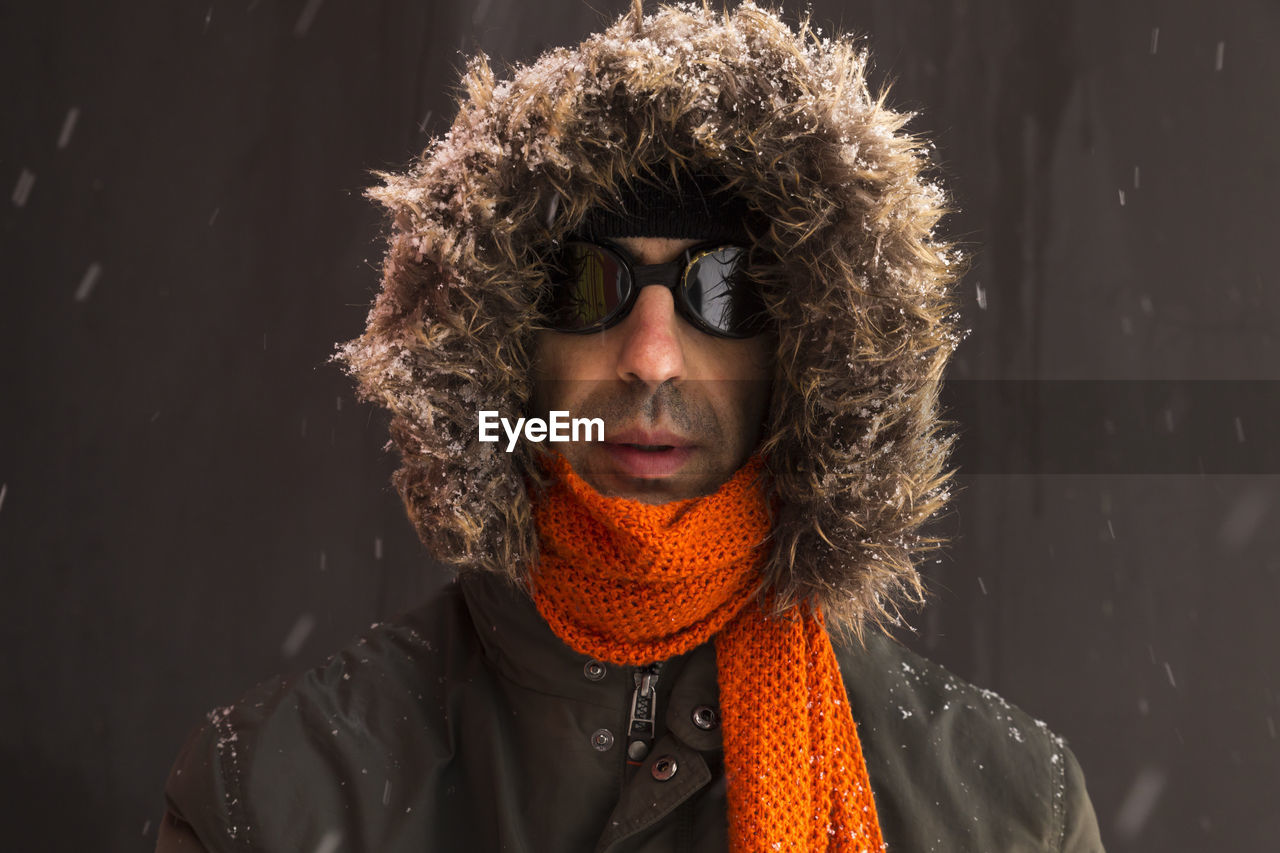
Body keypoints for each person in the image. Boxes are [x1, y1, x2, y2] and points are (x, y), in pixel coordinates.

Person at [156, 2, 1105, 851]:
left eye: (723, 290)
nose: (651, 356)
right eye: (587, 285)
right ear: (506, 351)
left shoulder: (1011, 813)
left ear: (808, 358)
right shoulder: (273, 797)